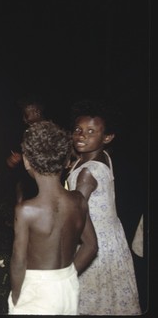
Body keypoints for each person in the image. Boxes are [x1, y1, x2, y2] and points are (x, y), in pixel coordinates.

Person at [8, 120, 98, 315]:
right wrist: (69, 273)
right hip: (67, 287)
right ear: (67, 161)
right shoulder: (79, 200)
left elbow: (19, 261)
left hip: (36, 289)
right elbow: (91, 246)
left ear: (26, 161)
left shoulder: (26, 210)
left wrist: (17, 298)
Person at [66, 99, 141, 315]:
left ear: (107, 137)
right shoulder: (101, 157)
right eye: (78, 130)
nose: (81, 135)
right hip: (112, 239)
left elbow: (75, 209)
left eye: (91, 132)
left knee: (90, 301)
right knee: (109, 299)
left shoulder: (88, 173)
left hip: (93, 243)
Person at [5, 99, 46, 203]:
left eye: (26, 114)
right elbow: (15, 161)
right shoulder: (27, 132)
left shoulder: (50, 132)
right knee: (20, 183)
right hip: (30, 178)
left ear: (36, 112)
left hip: (45, 179)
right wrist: (14, 160)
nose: (24, 119)